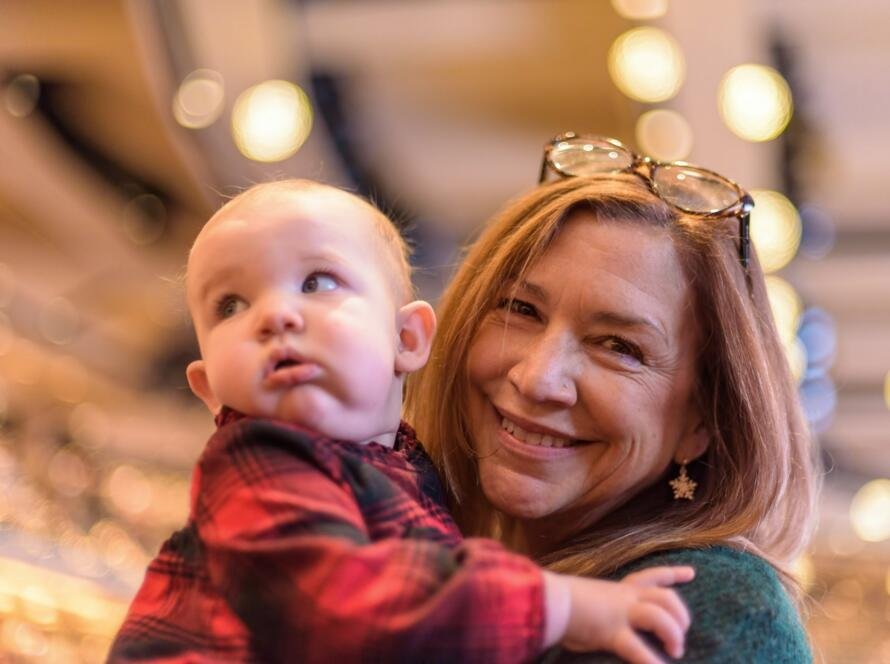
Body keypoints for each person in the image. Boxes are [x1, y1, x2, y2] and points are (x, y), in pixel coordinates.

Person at [109, 179, 696, 664]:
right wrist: (562, 607)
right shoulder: (259, 465)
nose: (275, 315)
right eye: (230, 306)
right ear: (210, 390)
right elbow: (339, 608)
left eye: (316, 282)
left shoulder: (409, 470)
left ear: (408, 337)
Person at [406, 134, 819, 662]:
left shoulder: (708, 608)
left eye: (618, 347)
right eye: (521, 309)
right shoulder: (437, 563)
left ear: (703, 421)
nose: (537, 379)